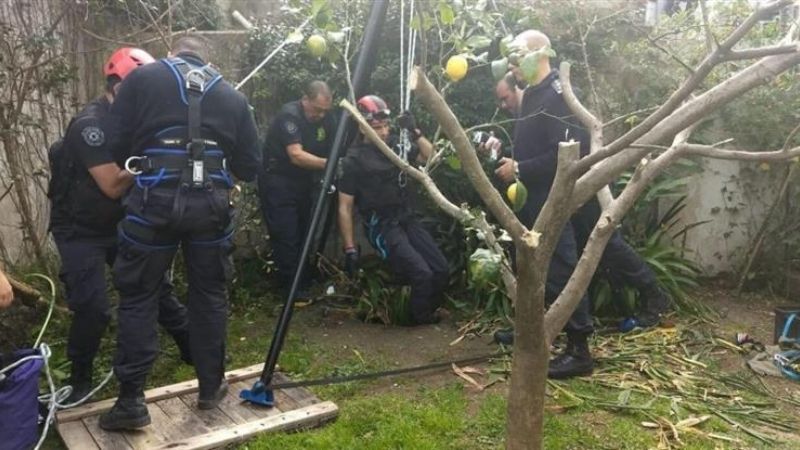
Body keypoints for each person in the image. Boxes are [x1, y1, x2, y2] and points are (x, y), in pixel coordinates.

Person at [99, 35, 260, 430]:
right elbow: (251, 165)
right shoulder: (232, 96)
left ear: (173, 52)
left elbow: (116, 144)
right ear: (207, 58)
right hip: (211, 207)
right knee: (209, 293)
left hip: (154, 201)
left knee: (140, 295)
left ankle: (131, 403)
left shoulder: (143, 78)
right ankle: (210, 387)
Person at [491, 31, 669, 379]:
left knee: (563, 265)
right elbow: (534, 141)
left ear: (538, 54)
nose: (512, 65)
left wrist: (522, 168)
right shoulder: (533, 93)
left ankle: (579, 348)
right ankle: (530, 330)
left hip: (560, 196)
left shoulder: (558, 97)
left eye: (517, 57)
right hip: (536, 195)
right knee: (530, 264)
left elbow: (568, 156)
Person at [47, 47, 192, 404]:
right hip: (79, 230)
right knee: (93, 307)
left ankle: (196, 353)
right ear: (119, 87)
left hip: (119, 223)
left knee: (156, 289)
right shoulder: (89, 126)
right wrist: (148, 161)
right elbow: (112, 184)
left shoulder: (134, 120)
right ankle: (79, 378)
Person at [337, 95, 449, 325]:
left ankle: (426, 311)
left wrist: (415, 131)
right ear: (362, 127)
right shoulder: (353, 160)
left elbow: (432, 158)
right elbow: (345, 207)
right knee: (421, 273)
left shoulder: (398, 144)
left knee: (441, 269)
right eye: (377, 128)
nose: (384, 132)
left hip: (407, 219)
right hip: (382, 225)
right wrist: (349, 248)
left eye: (386, 126)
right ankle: (417, 322)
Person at [258, 81, 337, 295]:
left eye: (324, 111)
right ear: (305, 100)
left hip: (303, 182)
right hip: (278, 181)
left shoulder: (326, 118)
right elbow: (296, 155)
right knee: (286, 235)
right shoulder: (289, 116)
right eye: (316, 109)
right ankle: (290, 290)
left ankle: (301, 283)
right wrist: (330, 165)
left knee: (304, 232)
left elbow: (337, 145)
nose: (320, 115)